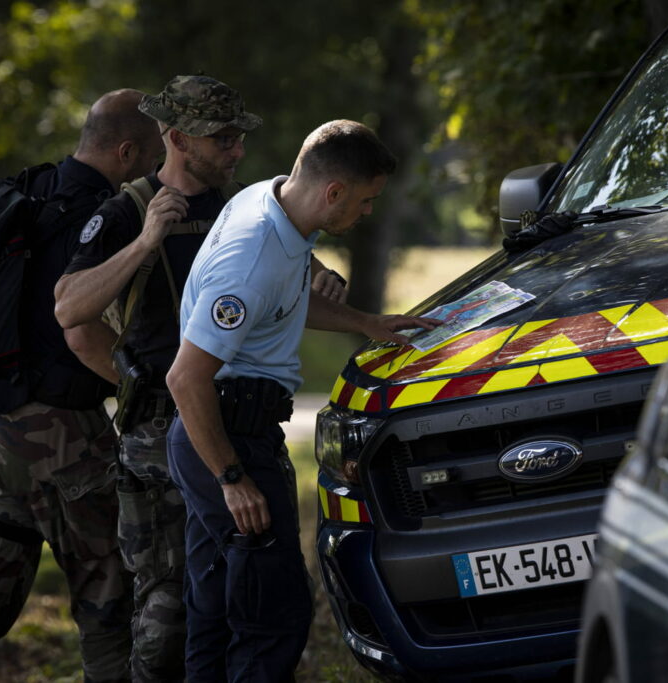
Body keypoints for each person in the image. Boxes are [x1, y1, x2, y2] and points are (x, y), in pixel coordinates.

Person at [52, 75, 347, 682]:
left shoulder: (246, 209)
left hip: (232, 423)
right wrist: (146, 242)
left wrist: (332, 294)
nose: (236, 151)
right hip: (159, 435)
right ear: (178, 137)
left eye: (239, 138)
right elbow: (69, 310)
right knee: (166, 619)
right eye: (223, 140)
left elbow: (287, 293)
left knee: (230, 599)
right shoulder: (128, 211)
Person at [164, 119, 440, 681]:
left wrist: (366, 323)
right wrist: (232, 477)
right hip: (225, 434)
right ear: (333, 192)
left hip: (224, 430)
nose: (366, 213)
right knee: (273, 613)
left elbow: (282, 302)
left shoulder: (268, 204)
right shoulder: (252, 257)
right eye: (365, 201)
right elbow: (185, 379)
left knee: (216, 609)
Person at [0, 88, 163, 683]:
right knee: (109, 602)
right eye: (155, 155)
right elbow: (82, 334)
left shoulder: (20, 193)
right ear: (128, 152)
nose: (159, 170)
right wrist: (153, 393)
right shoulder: (108, 219)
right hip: (67, 442)